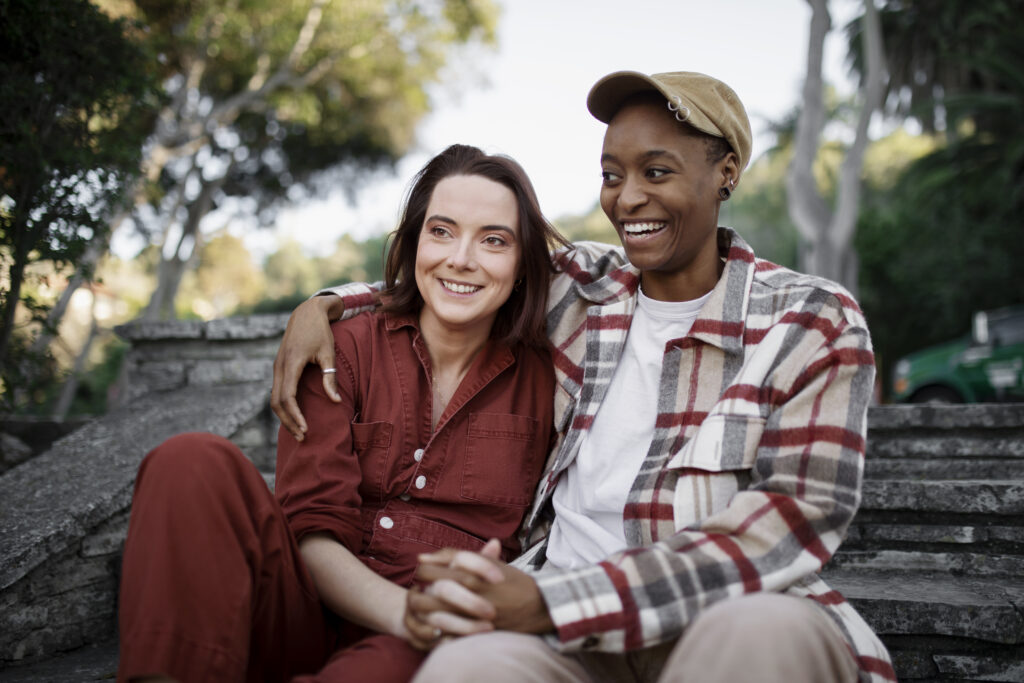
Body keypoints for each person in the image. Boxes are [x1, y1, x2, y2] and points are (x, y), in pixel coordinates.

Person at [271, 71, 897, 683]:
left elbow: (788, 523)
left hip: (720, 613)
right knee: (465, 666)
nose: (627, 198)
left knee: (760, 634)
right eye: (611, 175)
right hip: (567, 637)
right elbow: (456, 273)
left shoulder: (810, 320)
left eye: (657, 172)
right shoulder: (584, 291)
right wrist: (323, 304)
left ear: (725, 173)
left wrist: (554, 602)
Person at [116, 144, 570, 683]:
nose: (461, 258)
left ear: (522, 266)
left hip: (431, 632)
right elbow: (310, 528)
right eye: (441, 231)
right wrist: (323, 306)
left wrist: (424, 619)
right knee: (187, 460)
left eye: (494, 240)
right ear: (413, 243)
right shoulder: (341, 347)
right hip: (306, 606)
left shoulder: (556, 378)